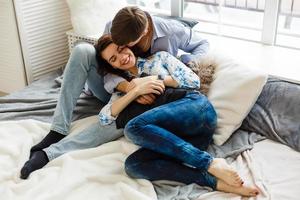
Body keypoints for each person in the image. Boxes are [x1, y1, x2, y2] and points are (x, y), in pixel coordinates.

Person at [20, 6, 210, 179]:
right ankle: (57, 130)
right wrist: (132, 88)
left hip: (156, 94)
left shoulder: (169, 37)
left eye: (124, 46)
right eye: (117, 51)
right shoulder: (115, 28)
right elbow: (106, 69)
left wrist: (184, 63)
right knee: (82, 50)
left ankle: (48, 154)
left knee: (121, 122)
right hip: (118, 90)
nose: (123, 53)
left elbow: (201, 49)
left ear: (144, 33)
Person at [95, 34, 259, 197]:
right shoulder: (123, 88)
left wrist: (155, 79)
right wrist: (135, 90)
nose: (122, 57)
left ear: (128, 44)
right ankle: (213, 182)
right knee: (133, 166)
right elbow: (104, 118)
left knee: (132, 128)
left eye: (121, 49)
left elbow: (193, 81)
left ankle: (209, 163)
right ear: (113, 66)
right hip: (183, 141)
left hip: (196, 109)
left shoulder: (159, 58)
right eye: (113, 59)